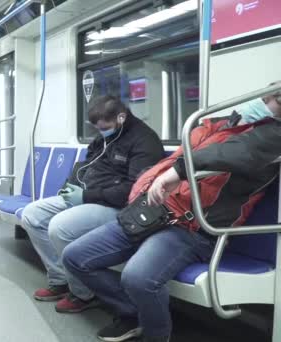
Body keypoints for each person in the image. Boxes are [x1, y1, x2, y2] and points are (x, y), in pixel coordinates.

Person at [62, 92, 281, 342]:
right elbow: (184, 152)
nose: (263, 103)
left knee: (137, 277)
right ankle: (134, 313)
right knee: (75, 257)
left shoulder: (272, 137)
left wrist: (175, 173)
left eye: (273, 100)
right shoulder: (219, 124)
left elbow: (233, 153)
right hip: (153, 211)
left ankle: (157, 335)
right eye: (265, 97)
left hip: (192, 227)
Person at [21, 95, 165, 313]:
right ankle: (60, 279)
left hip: (120, 208)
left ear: (121, 117)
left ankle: (83, 293)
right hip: (88, 196)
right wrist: (71, 187)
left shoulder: (145, 142)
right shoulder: (104, 138)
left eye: (104, 127)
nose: (101, 132)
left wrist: (85, 196)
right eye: (97, 129)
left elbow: (133, 191)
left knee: (60, 227)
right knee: (32, 215)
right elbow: (87, 165)